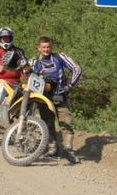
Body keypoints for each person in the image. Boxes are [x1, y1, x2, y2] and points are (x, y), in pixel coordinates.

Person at [32, 36, 82, 164]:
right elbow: (27, 76)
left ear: (51, 47)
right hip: (43, 97)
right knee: (47, 123)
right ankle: (52, 148)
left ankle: (69, 150)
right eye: (43, 47)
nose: (46, 49)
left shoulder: (60, 57)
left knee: (66, 123)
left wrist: (69, 86)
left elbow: (77, 68)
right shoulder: (34, 62)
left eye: (48, 47)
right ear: (39, 48)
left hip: (60, 95)